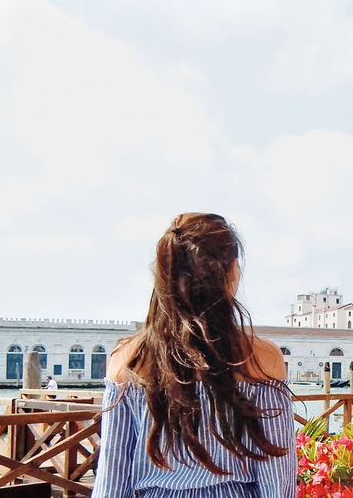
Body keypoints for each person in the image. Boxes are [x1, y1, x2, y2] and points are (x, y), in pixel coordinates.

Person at [92, 213, 296, 497]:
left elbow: (112, 480)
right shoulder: (262, 358)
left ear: (164, 275)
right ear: (232, 270)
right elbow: (277, 478)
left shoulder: (128, 359)